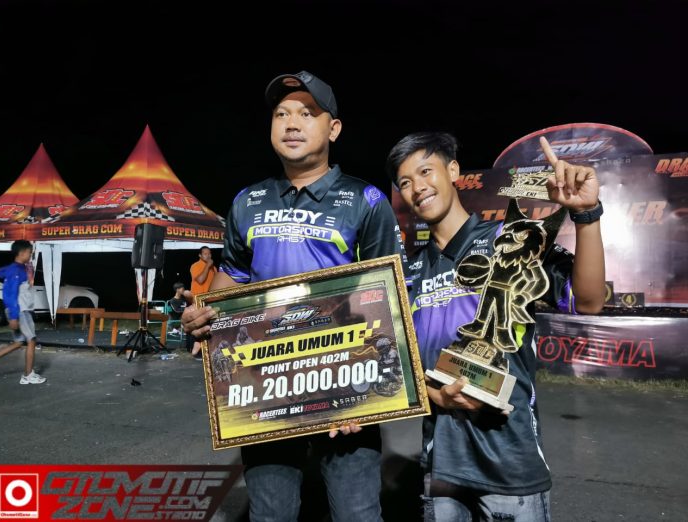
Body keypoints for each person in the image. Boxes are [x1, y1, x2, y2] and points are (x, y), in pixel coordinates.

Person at [181, 70, 406, 521]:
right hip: (266, 386)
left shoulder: (365, 199)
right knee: (270, 514)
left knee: (357, 514)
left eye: (307, 113)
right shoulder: (248, 200)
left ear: (333, 129)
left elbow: (390, 296)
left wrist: (375, 396)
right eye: (281, 114)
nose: (291, 123)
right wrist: (203, 315)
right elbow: (233, 277)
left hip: (346, 386)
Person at [386, 132, 605, 521]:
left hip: (511, 464)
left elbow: (588, 300)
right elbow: (401, 365)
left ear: (453, 170)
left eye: (426, 171)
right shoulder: (408, 273)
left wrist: (586, 215)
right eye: (405, 182)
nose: (417, 187)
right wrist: (431, 395)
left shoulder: (510, 239)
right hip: (441, 469)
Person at [0, 240, 46, 384]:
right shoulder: (17, 271)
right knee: (31, 340)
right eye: (29, 252)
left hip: (19, 310)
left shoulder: (17, 268)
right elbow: (10, 294)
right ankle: (28, 375)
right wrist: (14, 316)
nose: (31, 255)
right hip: (20, 311)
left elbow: (3, 274)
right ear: (21, 253)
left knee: (18, 343)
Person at [189, 248, 216, 357]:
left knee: (210, 326)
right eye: (205, 254)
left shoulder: (214, 268)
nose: (208, 256)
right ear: (200, 255)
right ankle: (197, 350)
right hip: (199, 300)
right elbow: (200, 280)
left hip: (211, 300)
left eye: (209, 254)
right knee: (200, 325)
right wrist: (207, 266)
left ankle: (207, 350)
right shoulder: (195, 266)